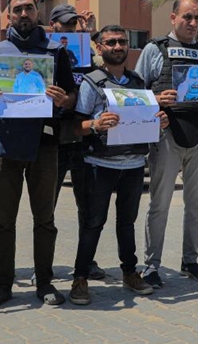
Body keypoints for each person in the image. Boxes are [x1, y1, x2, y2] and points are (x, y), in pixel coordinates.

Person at [0, 0, 76, 308]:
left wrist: (64, 101)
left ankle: (45, 282)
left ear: (38, 14)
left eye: (29, 9)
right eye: (18, 9)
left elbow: (71, 96)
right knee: (4, 218)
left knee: (44, 218)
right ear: (8, 15)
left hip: (45, 142)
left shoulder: (55, 51)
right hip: (5, 143)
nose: (24, 14)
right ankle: (4, 284)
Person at [68, 25, 167, 305]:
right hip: (99, 164)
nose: (117, 46)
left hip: (134, 165)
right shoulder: (91, 82)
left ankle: (129, 272)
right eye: (110, 42)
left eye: (122, 41)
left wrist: (159, 123)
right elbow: (77, 126)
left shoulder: (138, 83)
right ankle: (80, 278)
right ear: (99, 47)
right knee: (93, 223)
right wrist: (96, 124)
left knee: (127, 223)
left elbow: (148, 122)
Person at [135, 0, 198, 288]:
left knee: (196, 205)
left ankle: (190, 260)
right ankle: (151, 266)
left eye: (197, 18)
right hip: (166, 134)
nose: (193, 23)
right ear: (173, 18)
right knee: (159, 204)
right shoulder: (154, 49)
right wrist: (156, 99)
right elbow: (135, 91)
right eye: (187, 17)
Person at [48, 3, 105, 281]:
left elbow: (103, 72)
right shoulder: (46, 53)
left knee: (88, 206)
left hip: (83, 138)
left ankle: (87, 261)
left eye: (73, 25)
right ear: (53, 25)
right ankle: (43, 265)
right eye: (64, 24)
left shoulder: (84, 54)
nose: (69, 29)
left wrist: (90, 36)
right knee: (47, 206)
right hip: (54, 139)